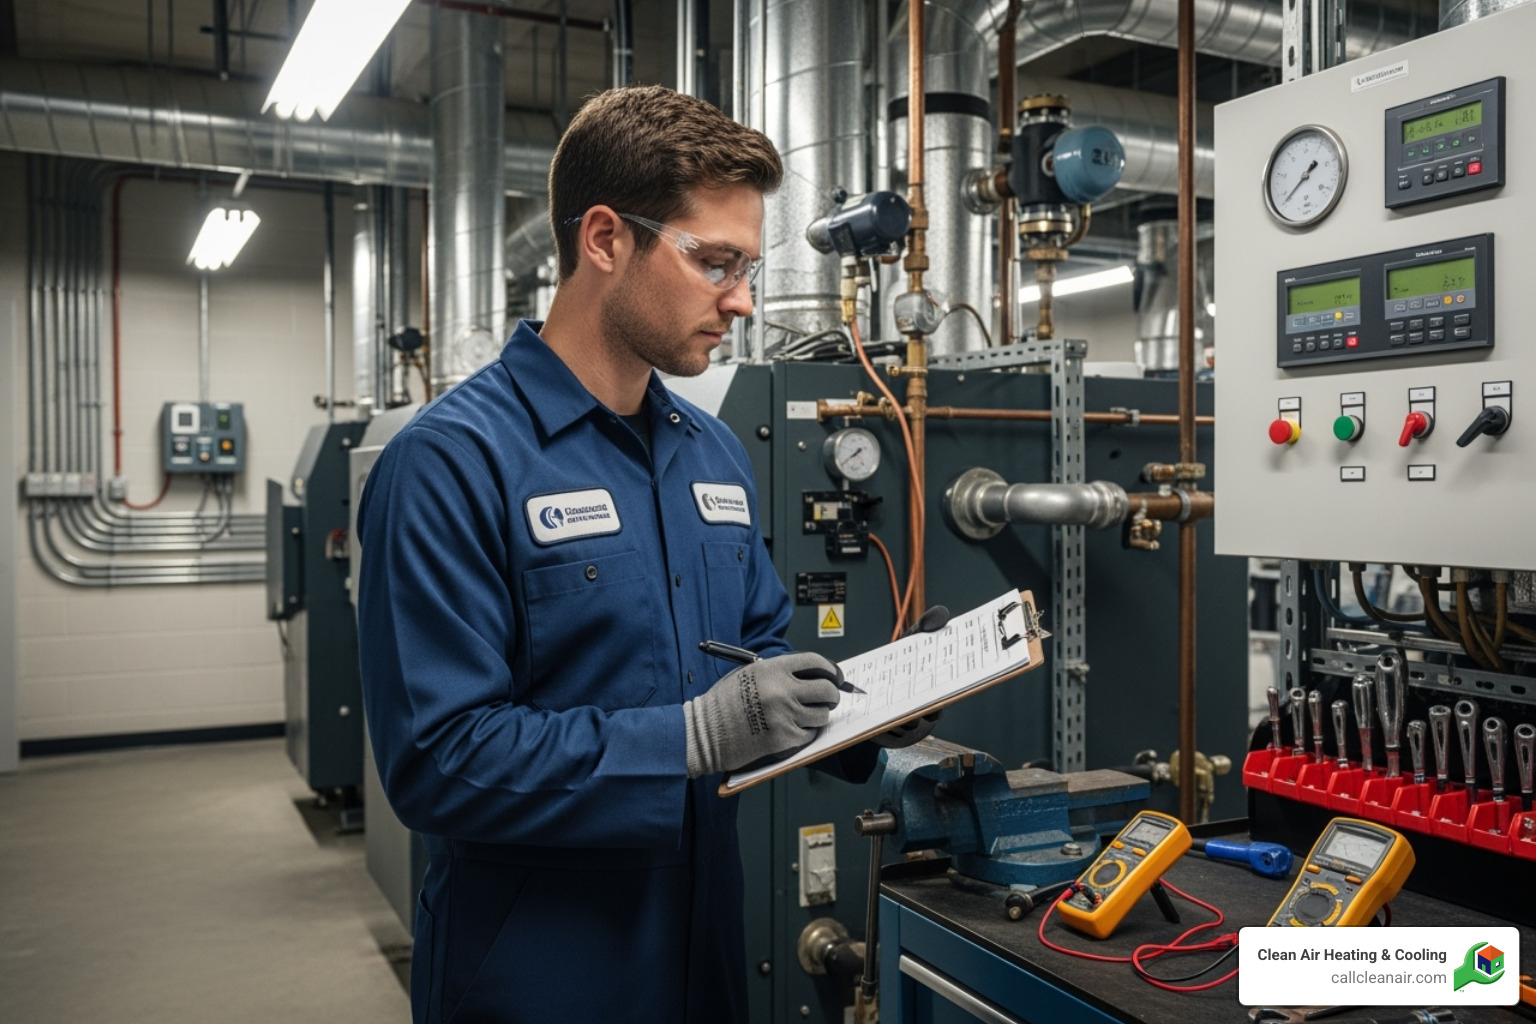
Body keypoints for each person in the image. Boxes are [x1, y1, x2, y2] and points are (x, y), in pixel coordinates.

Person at [357, 86, 936, 1024]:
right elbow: (439, 758)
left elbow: (756, 673)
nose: (743, 301)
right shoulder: (451, 463)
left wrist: (870, 712)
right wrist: (691, 738)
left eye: (747, 266)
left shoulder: (709, 457)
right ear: (603, 240)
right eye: (715, 262)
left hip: (705, 946)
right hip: (539, 970)